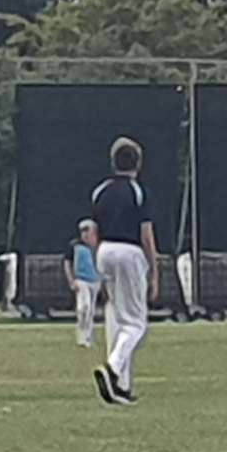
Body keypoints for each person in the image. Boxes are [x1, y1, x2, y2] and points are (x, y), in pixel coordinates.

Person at [90, 137, 161, 405]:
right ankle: (113, 367)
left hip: (104, 250)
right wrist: (154, 271)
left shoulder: (100, 191)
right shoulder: (138, 192)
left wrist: (97, 264)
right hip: (129, 251)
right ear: (138, 164)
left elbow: (93, 231)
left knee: (116, 315)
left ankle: (121, 386)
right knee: (135, 323)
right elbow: (146, 234)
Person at [63, 219, 101, 349]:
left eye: (88, 231)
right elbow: (67, 263)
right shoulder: (75, 245)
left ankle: (88, 337)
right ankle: (81, 335)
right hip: (81, 279)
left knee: (91, 310)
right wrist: (71, 280)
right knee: (84, 307)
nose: (85, 234)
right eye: (83, 231)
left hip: (95, 280)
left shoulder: (97, 245)